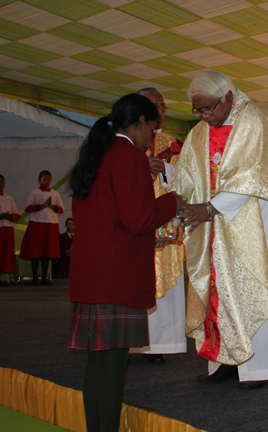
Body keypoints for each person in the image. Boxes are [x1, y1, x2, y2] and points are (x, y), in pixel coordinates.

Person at [173, 71, 268, 389]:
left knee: (251, 288)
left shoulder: (255, 121)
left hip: (261, 226)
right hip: (218, 227)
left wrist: (209, 208)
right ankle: (226, 360)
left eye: (208, 108)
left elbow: (252, 177)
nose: (204, 116)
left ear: (228, 97)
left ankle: (258, 366)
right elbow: (188, 174)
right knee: (221, 290)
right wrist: (183, 206)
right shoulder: (201, 132)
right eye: (198, 110)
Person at [67, 93, 182, 432]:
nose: (151, 138)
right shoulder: (129, 156)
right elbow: (139, 218)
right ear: (140, 123)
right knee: (114, 365)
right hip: (117, 275)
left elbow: (111, 217)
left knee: (97, 363)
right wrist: (173, 201)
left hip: (93, 271)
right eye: (152, 129)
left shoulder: (98, 151)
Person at [129, 87, 186, 364]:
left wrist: (165, 169)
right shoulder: (126, 143)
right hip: (133, 225)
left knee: (163, 291)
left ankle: (157, 344)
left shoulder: (173, 145)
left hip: (163, 225)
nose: (161, 111)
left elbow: (188, 183)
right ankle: (128, 344)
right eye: (155, 106)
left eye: (163, 106)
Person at [19, 170, 64, 285]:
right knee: (35, 251)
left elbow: (61, 209)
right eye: (45, 179)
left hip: (51, 224)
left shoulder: (55, 193)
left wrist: (51, 206)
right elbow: (27, 208)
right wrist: (43, 206)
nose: (47, 181)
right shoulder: (34, 192)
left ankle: (44, 277)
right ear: (40, 180)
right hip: (36, 224)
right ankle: (35, 277)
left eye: (49, 179)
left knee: (47, 251)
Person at [0, 174, 20, 285]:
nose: (1, 184)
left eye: (2, 181)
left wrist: (10, 217)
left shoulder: (9, 198)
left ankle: (4, 277)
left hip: (7, 229)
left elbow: (16, 213)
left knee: (6, 253)